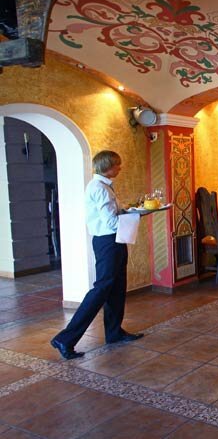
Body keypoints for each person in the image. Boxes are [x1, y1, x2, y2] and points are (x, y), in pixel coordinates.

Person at [50, 150, 143, 360]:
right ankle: (65, 339)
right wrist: (136, 216)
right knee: (101, 289)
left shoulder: (103, 186)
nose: (119, 168)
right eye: (117, 165)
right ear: (107, 167)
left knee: (117, 287)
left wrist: (128, 211)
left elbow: (111, 215)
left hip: (113, 241)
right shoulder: (100, 188)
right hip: (108, 242)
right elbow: (110, 223)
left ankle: (114, 332)